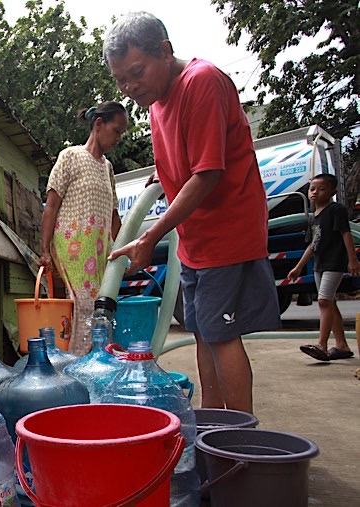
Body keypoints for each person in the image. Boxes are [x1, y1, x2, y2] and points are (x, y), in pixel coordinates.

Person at [103, 12, 281, 413]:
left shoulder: (201, 82)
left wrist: (150, 235)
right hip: (196, 238)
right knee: (202, 331)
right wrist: (160, 174)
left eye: (136, 73)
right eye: (120, 80)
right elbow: (186, 155)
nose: (130, 87)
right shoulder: (156, 101)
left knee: (221, 334)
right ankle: (212, 421)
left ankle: (238, 439)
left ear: (164, 52)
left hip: (226, 232)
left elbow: (208, 174)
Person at [39, 102, 125, 355]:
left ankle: (99, 362)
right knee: (87, 306)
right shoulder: (71, 157)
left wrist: (124, 249)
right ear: (99, 125)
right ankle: (80, 370)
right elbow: (51, 207)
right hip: (73, 246)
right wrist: (44, 249)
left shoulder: (107, 167)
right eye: (116, 131)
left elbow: (113, 214)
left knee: (102, 307)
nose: (119, 138)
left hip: (100, 250)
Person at [288, 174, 358, 361]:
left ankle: (322, 345)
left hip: (334, 262)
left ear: (332, 192)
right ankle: (342, 345)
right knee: (329, 302)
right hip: (320, 263)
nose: (315, 192)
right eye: (312, 189)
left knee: (323, 301)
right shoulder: (315, 217)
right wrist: (298, 267)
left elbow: (346, 235)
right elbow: (313, 245)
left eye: (321, 189)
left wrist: (353, 260)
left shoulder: (336, 210)